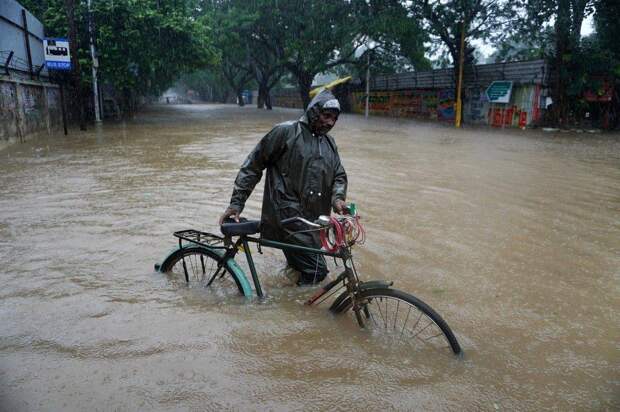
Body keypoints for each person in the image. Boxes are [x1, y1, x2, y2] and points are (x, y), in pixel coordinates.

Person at [219, 89, 347, 285]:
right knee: (317, 272)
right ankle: (297, 311)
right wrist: (236, 203)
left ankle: (287, 295)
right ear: (314, 112)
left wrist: (338, 199)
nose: (330, 122)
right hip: (287, 217)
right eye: (326, 116)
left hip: (312, 222)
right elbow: (253, 165)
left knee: (304, 267)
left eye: (334, 119)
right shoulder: (286, 132)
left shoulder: (329, 143)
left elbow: (338, 174)